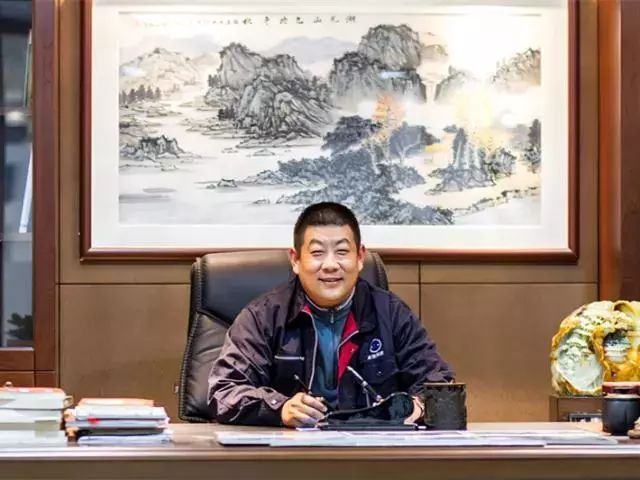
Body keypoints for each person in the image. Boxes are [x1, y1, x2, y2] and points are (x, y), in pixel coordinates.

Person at [208, 202, 454, 427]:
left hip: (371, 454)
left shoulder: (390, 313)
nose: (330, 265)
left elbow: (440, 386)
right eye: (317, 253)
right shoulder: (263, 317)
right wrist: (280, 409)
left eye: (342, 252)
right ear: (295, 260)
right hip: (290, 454)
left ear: (360, 257)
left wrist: (419, 406)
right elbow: (224, 392)